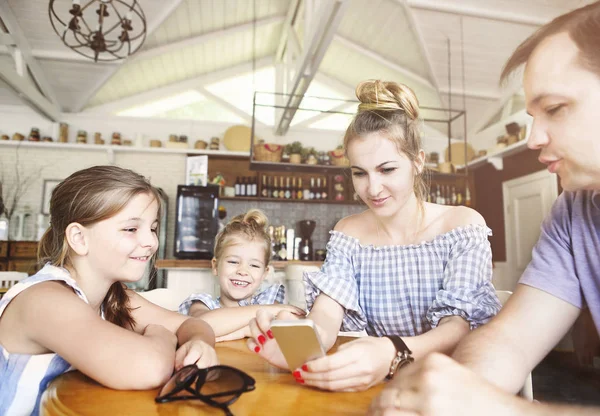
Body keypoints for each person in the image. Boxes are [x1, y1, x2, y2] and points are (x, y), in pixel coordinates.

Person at [368, 2, 600, 415]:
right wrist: (452, 393)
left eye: (555, 108)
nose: (533, 137)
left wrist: (513, 410)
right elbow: (509, 339)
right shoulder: (573, 213)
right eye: (531, 115)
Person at [246, 79, 501, 392]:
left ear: (417, 162)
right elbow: (328, 312)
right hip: (373, 386)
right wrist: (302, 340)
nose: (372, 188)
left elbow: (457, 329)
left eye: (387, 170)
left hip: (448, 388)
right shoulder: (347, 233)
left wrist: (391, 351)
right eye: (360, 173)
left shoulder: (461, 227)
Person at [0, 166, 217, 416]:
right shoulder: (44, 300)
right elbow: (149, 367)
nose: (151, 242)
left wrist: (198, 343)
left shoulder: (115, 297)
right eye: (131, 229)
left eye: (153, 228)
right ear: (79, 238)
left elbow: (191, 325)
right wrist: (162, 335)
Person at [179, 209, 304, 342]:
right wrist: (247, 329)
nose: (243, 271)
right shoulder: (203, 304)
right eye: (233, 262)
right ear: (215, 266)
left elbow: (298, 329)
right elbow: (202, 325)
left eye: (254, 265)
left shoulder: (268, 302)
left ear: (264, 274)